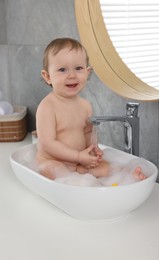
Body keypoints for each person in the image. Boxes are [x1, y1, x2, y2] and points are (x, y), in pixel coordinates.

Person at [35, 37, 146, 181]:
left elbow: (87, 132)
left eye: (78, 68)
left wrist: (93, 149)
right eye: (62, 70)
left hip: (79, 162)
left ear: (87, 72)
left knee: (106, 167)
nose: (72, 75)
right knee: (52, 170)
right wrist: (78, 156)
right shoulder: (47, 107)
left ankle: (127, 176)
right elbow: (48, 144)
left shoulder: (85, 106)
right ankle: (74, 183)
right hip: (53, 161)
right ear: (48, 77)